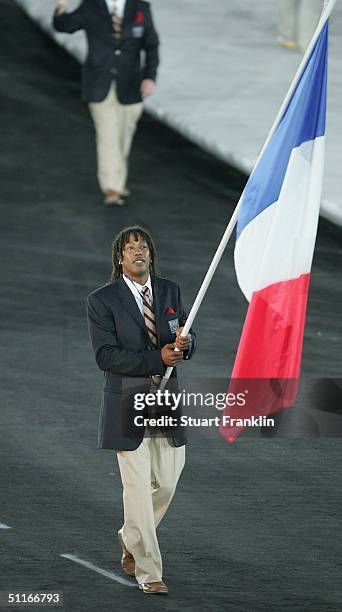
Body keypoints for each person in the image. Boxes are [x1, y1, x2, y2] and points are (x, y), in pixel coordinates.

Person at [87, 226, 196, 594]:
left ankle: (130, 535)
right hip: (126, 403)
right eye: (130, 247)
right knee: (136, 491)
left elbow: (183, 334)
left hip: (166, 403)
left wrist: (186, 342)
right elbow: (105, 356)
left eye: (144, 246)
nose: (138, 252)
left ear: (151, 255)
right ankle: (150, 573)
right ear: (120, 257)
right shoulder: (102, 300)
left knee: (166, 483)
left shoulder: (170, 291)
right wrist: (157, 357)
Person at [53, 0, 159, 206]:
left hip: (131, 84)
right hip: (99, 83)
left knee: (123, 135)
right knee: (107, 134)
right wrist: (61, 7)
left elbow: (151, 44)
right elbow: (65, 26)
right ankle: (112, 187)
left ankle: (117, 179)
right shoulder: (91, 6)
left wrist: (150, 77)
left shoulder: (140, 8)